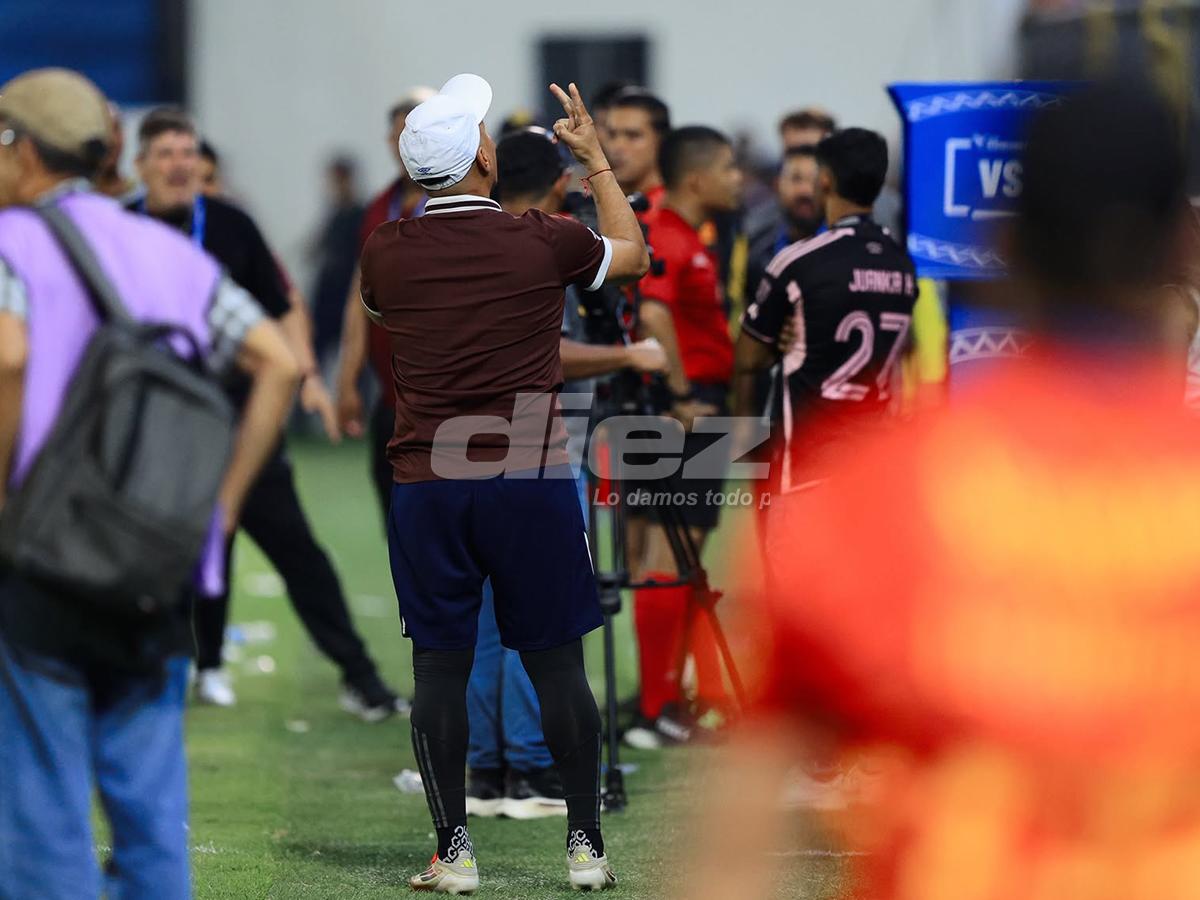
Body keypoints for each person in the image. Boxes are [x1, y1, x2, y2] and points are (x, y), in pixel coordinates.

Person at [685, 79, 1200, 900]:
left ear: (1009, 243)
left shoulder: (884, 501)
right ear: (1183, 244)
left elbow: (733, 853)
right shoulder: (898, 273)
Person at [0, 68, 298, 900]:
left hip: (44, 554)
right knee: (149, 807)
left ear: (22, 151)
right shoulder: (171, 252)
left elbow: (9, 355)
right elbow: (278, 362)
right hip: (161, 556)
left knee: (44, 807)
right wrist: (224, 505)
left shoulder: (11, 243)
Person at [359, 74, 648, 892]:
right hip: (528, 468)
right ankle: (585, 847)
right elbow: (633, 258)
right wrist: (594, 162)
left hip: (428, 480)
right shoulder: (542, 238)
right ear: (484, 155)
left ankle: (453, 853)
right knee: (558, 667)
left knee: (438, 672)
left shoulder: (385, 247)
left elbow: (383, 313)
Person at [132, 108, 403, 719]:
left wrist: (306, 374)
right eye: (165, 153)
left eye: (187, 152)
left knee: (296, 551)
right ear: (141, 163)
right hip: (156, 429)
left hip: (237, 419)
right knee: (161, 556)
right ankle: (180, 673)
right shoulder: (118, 229)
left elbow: (283, 304)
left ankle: (362, 679)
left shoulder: (229, 225)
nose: (179, 163)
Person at [465, 126, 667, 821]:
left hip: (472, 448)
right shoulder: (545, 241)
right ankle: (531, 768)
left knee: (491, 620)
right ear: (557, 181)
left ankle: (489, 770)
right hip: (538, 444)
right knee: (542, 617)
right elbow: (559, 342)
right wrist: (629, 357)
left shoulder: (474, 242)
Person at [623, 126, 743, 750]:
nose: (737, 177)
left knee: (680, 560)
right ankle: (655, 708)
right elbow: (651, 313)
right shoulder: (668, 235)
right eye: (727, 168)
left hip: (695, 405)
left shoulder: (689, 237)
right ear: (696, 178)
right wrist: (677, 395)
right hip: (686, 410)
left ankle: (672, 700)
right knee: (668, 562)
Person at [734, 128, 917, 494]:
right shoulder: (902, 264)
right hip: (874, 465)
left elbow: (749, 357)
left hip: (808, 465)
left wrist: (787, 336)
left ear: (826, 180)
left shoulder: (799, 260)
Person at [335, 88, 434, 522]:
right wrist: (348, 377)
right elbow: (361, 295)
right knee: (395, 514)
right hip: (392, 397)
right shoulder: (379, 208)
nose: (406, 146)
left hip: (449, 397)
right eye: (398, 137)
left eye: (416, 135)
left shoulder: (460, 203)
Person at [308, 155, 364, 371]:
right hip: (328, 296)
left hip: (347, 295)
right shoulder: (334, 215)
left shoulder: (359, 214)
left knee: (356, 359)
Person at [604, 88, 671, 208]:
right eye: (612, 135)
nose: (617, 147)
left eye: (633, 135)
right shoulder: (594, 207)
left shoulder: (676, 210)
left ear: (662, 141)